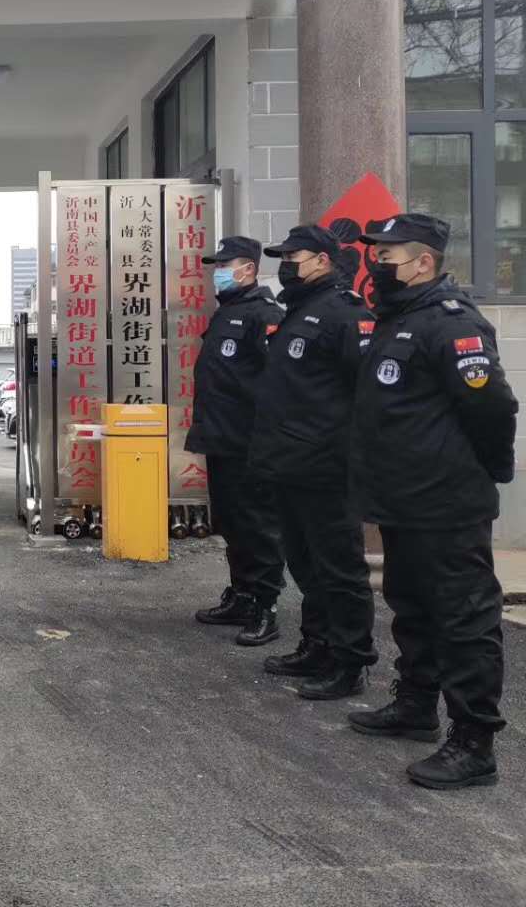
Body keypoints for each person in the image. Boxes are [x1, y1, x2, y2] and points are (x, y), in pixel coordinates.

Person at [347, 214, 517, 790]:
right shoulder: (398, 318)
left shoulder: (452, 323)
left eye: (387, 257)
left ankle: (474, 742)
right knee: (413, 606)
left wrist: (490, 469)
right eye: (375, 256)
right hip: (403, 498)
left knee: (464, 619)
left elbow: (493, 407)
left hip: (446, 501)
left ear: (423, 263)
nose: (376, 266)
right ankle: (416, 704)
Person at [249, 225, 378, 699]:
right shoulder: (299, 311)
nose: (286, 266)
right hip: (291, 464)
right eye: (283, 258)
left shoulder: (345, 314)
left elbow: (367, 393)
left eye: (293, 257)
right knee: (305, 563)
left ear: (323, 260)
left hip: (327, 467)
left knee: (339, 568)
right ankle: (318, 644)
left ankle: (350, 661)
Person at [187, 236, 287, 646]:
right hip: (222, 438)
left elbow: (278, 382)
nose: (218, 273)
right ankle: (242, 595)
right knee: (231, 523)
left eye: (225, 266)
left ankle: (266, 605)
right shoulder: (227, 312)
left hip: (250, 441)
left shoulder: (264, 314)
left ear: (248, 269)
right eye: (217, 267)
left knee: (257, 525)